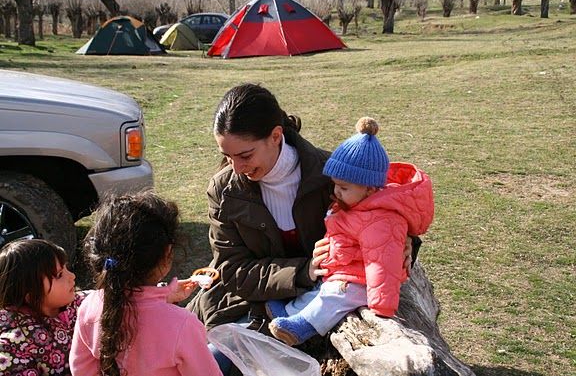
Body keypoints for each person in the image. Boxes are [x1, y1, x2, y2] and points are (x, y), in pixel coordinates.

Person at [188, 83, 416, 332]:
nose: (236, 167)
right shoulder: (223, 189)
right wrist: (303, 271)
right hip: (241, 306)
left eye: (245, 156)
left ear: (276, 136)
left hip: (328, 302)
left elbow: (384, 213)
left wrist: (406, 243)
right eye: (228, 156)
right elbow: (232, 271)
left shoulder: (335, 176)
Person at [266, 117, 434, 346]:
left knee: (333, 298)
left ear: (370, 189)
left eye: (343, 187)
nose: (336, 191)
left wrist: (381, 306)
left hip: (361, 282)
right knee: (321, 293)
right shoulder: (357, 205)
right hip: (346, 272)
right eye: (335, 184)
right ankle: (289, 313)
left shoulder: (380, 219)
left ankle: (303, 327)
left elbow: (381, 263)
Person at [69, 191, 222, 376]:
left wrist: (165, 294)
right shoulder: (182, 325)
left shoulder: (89, 306)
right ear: (167, 253)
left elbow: (81, 369)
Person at [0, 239, 84, 376]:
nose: (72, 276)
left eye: (66, 268)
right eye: (59, 275)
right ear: (31, 295)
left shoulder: (83, 304)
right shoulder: (14, 345)